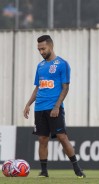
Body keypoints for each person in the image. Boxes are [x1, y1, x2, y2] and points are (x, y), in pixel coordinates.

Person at [23, 35, 86, 179]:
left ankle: (77, 170)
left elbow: (65, 88)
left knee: (62, 137)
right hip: (39, 108)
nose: (41, 52)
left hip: (54, 107)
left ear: (50, 46)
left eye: (43, 49)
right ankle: (44, 171)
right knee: (42, 140)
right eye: (39, 49)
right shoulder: (40, 66)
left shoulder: (62, 64)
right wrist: (28, 104)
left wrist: (57, 106)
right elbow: (38, 88)